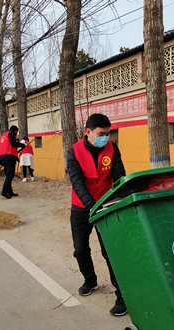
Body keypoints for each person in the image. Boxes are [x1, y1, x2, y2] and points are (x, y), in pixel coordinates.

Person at [67, 113, 127, 316]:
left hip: (106, 204)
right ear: (88, 132)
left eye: (108, 134)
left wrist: (120, 199)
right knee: (80, 250)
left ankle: (122, 295)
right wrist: (91, 206)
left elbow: (119, 176)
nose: (106, 138)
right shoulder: (74, 151)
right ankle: (90, 280)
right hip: (81, 207)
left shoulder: (112, 148)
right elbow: (77, 181)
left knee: (110, 251)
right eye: (101, 134)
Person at [0, 125, 24, 199]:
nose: (16, 134)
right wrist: (22, 145)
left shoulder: (3, 136)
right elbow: (13, 143)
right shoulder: (11, 134)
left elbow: (8, 145)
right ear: (15, 131)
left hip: (1, 158)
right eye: (16, 133)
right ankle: (4, 191)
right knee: (10, 175)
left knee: (9, 175)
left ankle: (10, 191)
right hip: (8, 158)